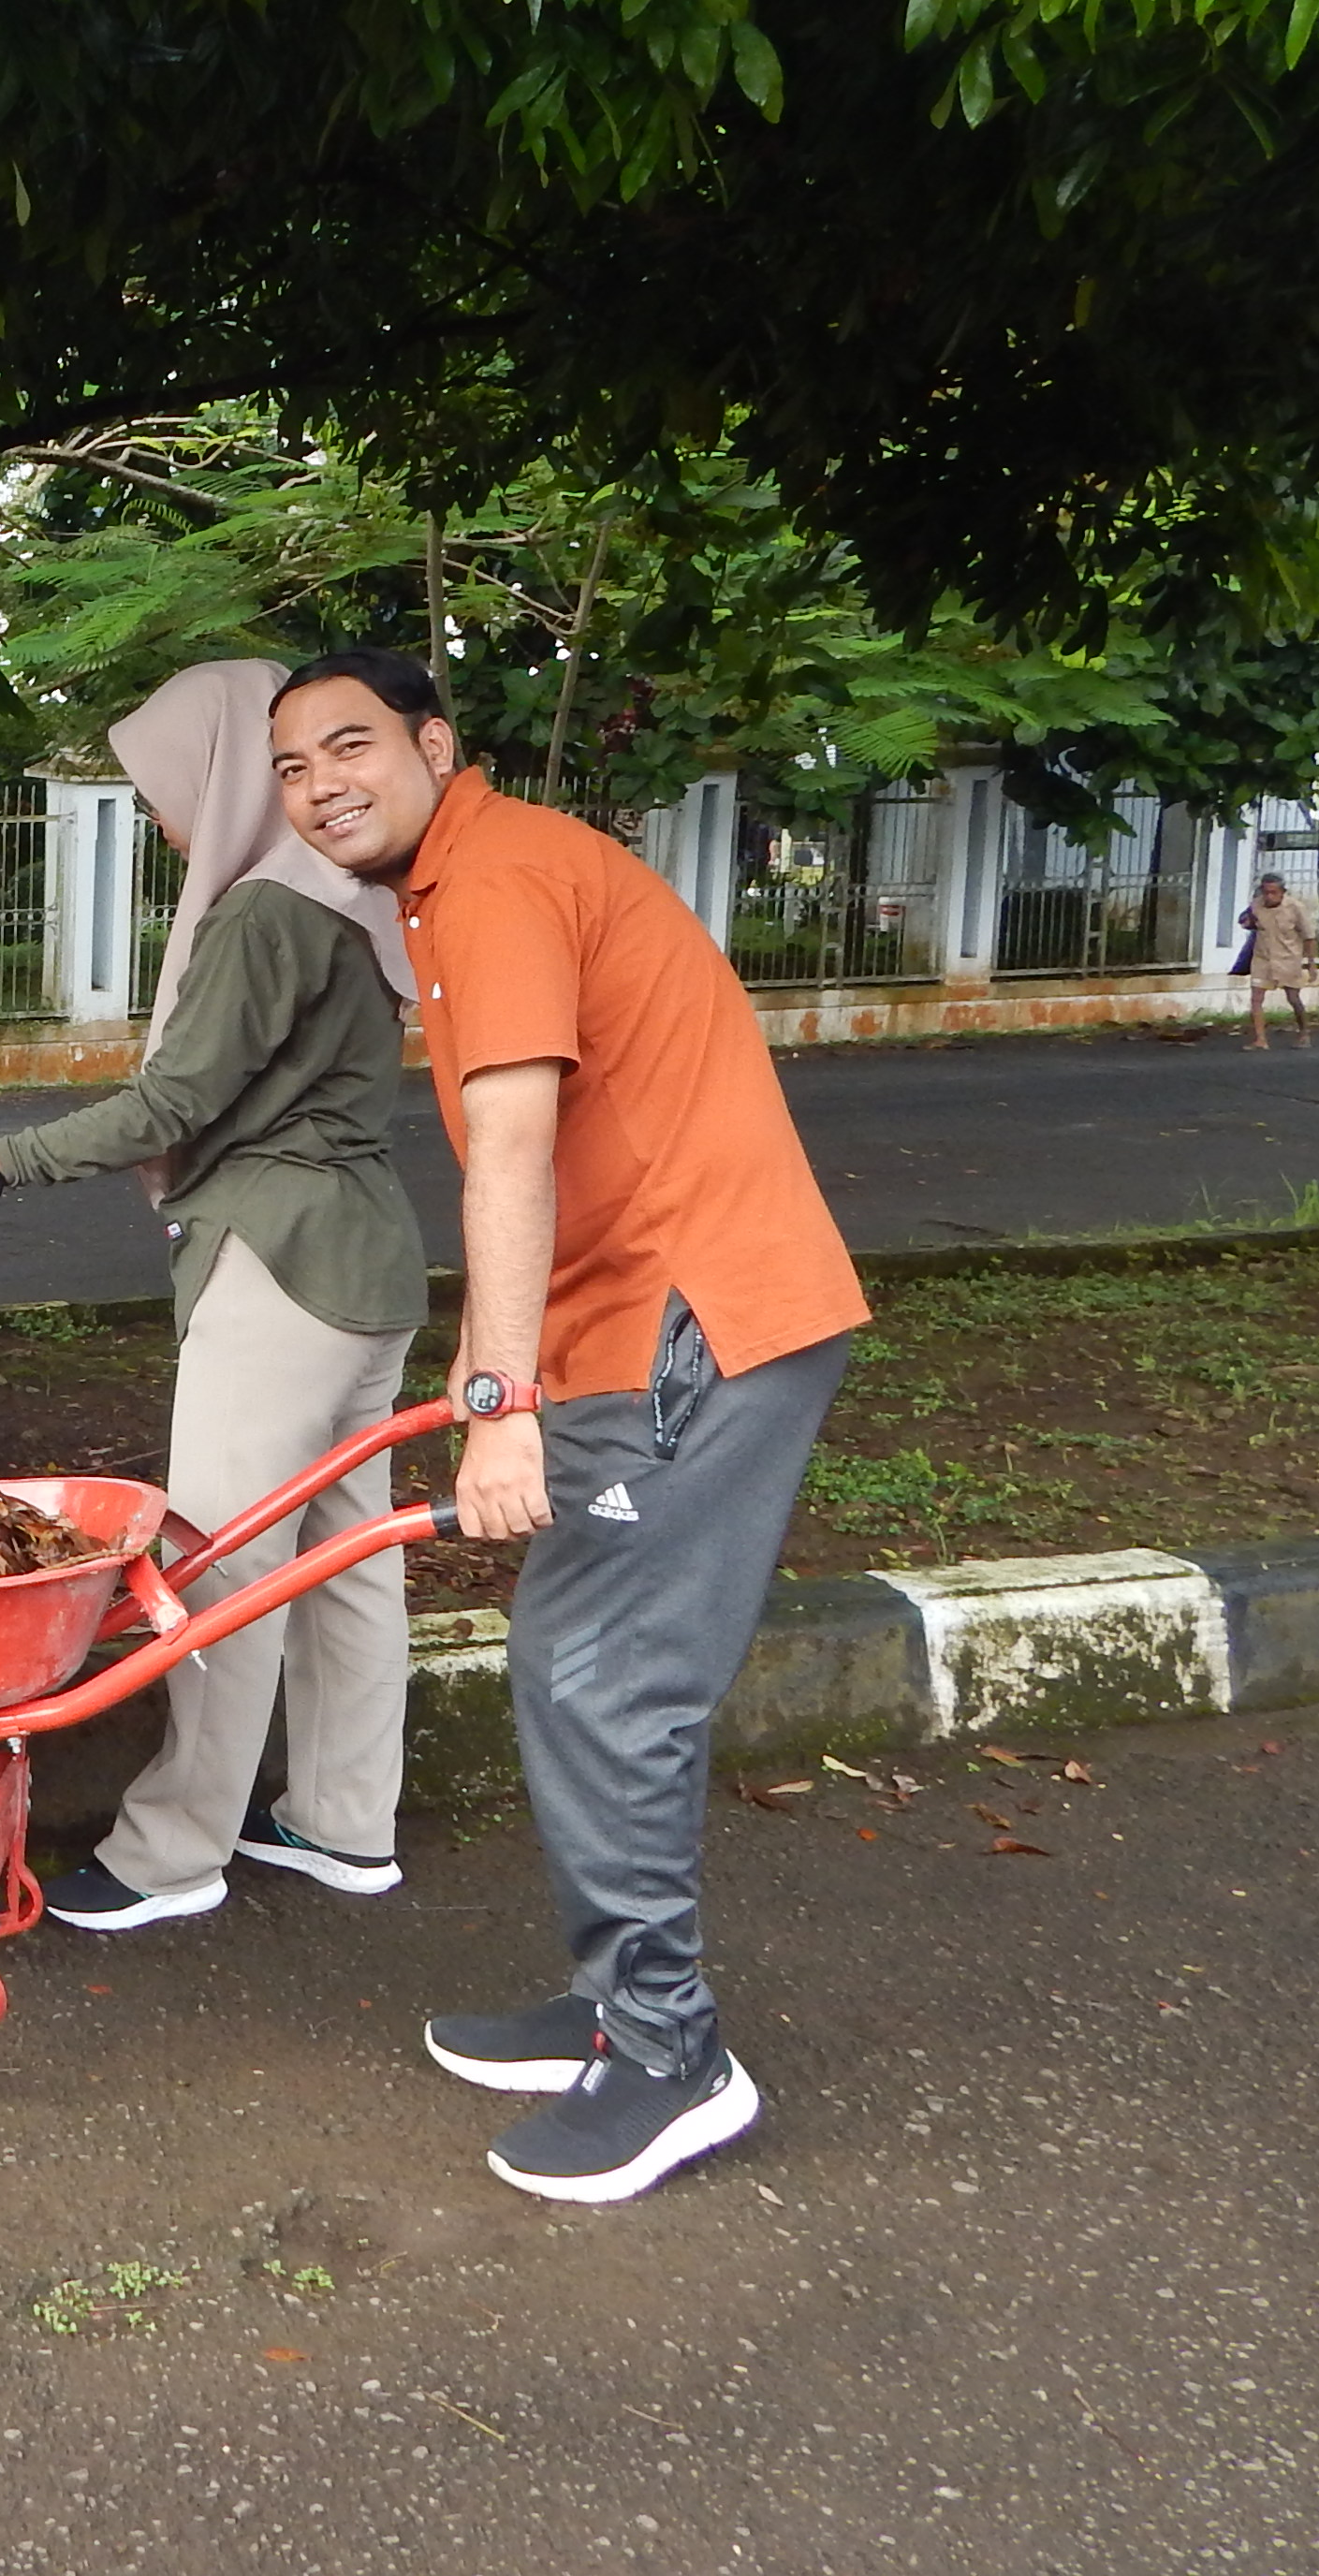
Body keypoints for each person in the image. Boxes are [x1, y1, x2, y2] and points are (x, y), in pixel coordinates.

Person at [268, 644, 868, 2207]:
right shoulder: (462, 885)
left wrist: (494, 1402)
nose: (317, 781)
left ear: (430, 743)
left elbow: (512, 1151)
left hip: (693, 1321)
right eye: (287, 766)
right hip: (653, 1314)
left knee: (610, 1678)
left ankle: (671, 2058)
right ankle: (618, 2002)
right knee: (567, 1659)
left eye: (347, 744)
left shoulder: (493, 882)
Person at [0, 658, 426, 1933]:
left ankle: (174, 1853)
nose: (162, 822)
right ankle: (344, 1821)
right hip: (369, 1267)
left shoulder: (263, 915)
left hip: (282, 1267)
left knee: (221, 1562)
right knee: (348, 1560)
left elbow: (174, 1104)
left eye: (168, 793)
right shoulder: (360, 908)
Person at [1240, 870, 1316, 1048]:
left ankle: (1304, 1032)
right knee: (1256, 998)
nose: (1269, 896)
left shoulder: (1296, 908)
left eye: (1274, 892)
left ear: (1283, 892)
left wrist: (1311, 965)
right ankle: (1260, 1039)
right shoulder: (1256, 905)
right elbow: (1247, 923)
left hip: (1288, 959)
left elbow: (1309, 937)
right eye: (1266, 892)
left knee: (1293, 997)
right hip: (1263, 958)